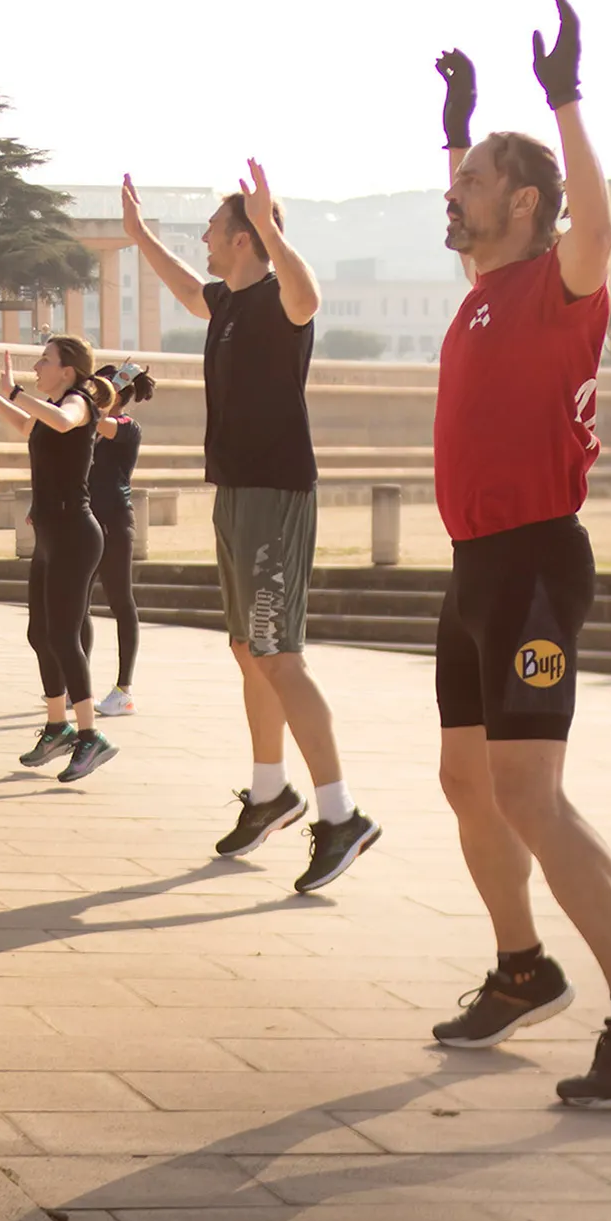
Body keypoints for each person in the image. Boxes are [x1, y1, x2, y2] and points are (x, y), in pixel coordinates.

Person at [425, 0, 611, 1110]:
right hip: (473, 568)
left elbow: (594, 223)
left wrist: (562, 99)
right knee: (467, 782)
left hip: (535, 564)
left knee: (530, 795)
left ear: (524, 202)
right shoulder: (487, 292)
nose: (457, 194)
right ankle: (521, 968)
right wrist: (459, 128)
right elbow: (477, 207)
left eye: (476, 181)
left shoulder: (559, 285)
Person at [125, 163, 377, 892]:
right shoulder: (229, 303)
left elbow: (309, 295)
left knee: (278, 653)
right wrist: (138, 235)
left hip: (274, 491)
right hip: (235, 491)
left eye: (211, 228)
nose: (201, 236)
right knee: (247, 647)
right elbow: (183, 286)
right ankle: (271, 792)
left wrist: (270, 223)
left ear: (242, 238)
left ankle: (341, 815)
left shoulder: (277, 299)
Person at [0, 337, 118, 783]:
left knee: (64, 636)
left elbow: (60, 418)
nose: (38, 366)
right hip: (51, 536)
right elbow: (26, 424)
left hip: (76, 533)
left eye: (46, 360)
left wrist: (15, 391)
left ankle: (92, 736)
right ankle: (58, 726)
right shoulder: (50, 409)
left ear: (68, 371)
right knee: (40, 633)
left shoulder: (78, 403)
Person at [90, 363, 157, 716]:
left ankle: (124, 689)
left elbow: (98, 420)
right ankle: (77, 685)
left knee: (120, 601)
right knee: (76, 602)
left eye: (95, 386)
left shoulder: (126, 428)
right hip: (86, 522)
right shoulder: (92, 429)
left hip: (115, 521)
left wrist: (100, 396)